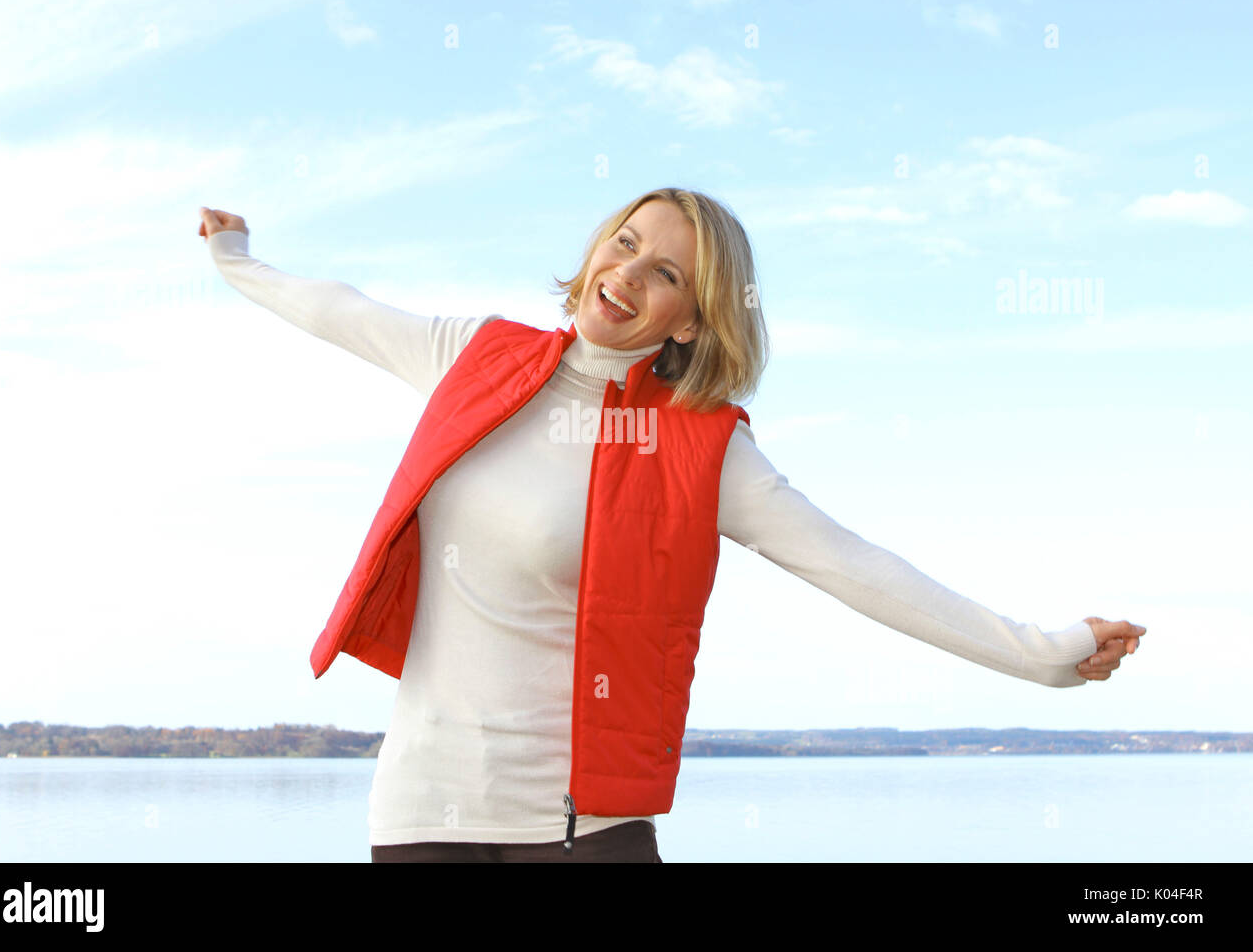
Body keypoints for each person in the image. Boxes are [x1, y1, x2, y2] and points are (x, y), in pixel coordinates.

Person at [198, 188, 1145, 863]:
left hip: (580, 829)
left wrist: (1044, 653)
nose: (626, 275)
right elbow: (339, 309)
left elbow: (854, 565)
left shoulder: (701, 447)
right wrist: (235, 259)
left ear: (690, 321)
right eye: (624, 243)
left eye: (664, 274)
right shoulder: (473, 357)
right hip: (418, 809)